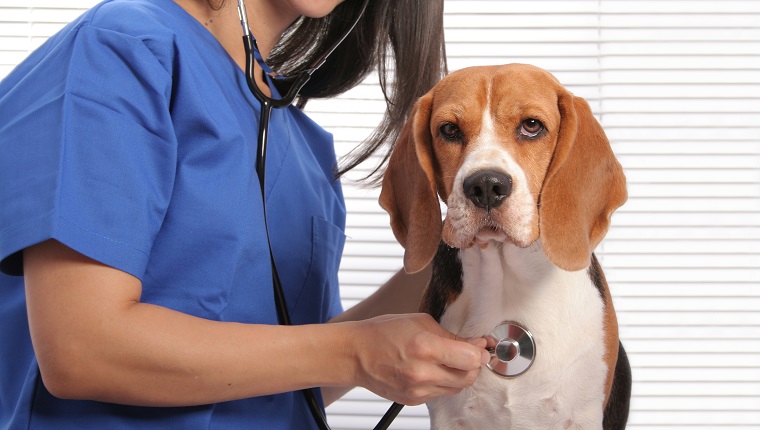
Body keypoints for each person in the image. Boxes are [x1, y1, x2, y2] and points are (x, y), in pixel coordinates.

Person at [0, 0, 490, 428]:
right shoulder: (123, 47)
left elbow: (293, 383)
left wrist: (465, 244)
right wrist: (357, 351)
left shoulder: (305, 149)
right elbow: (81, 349)